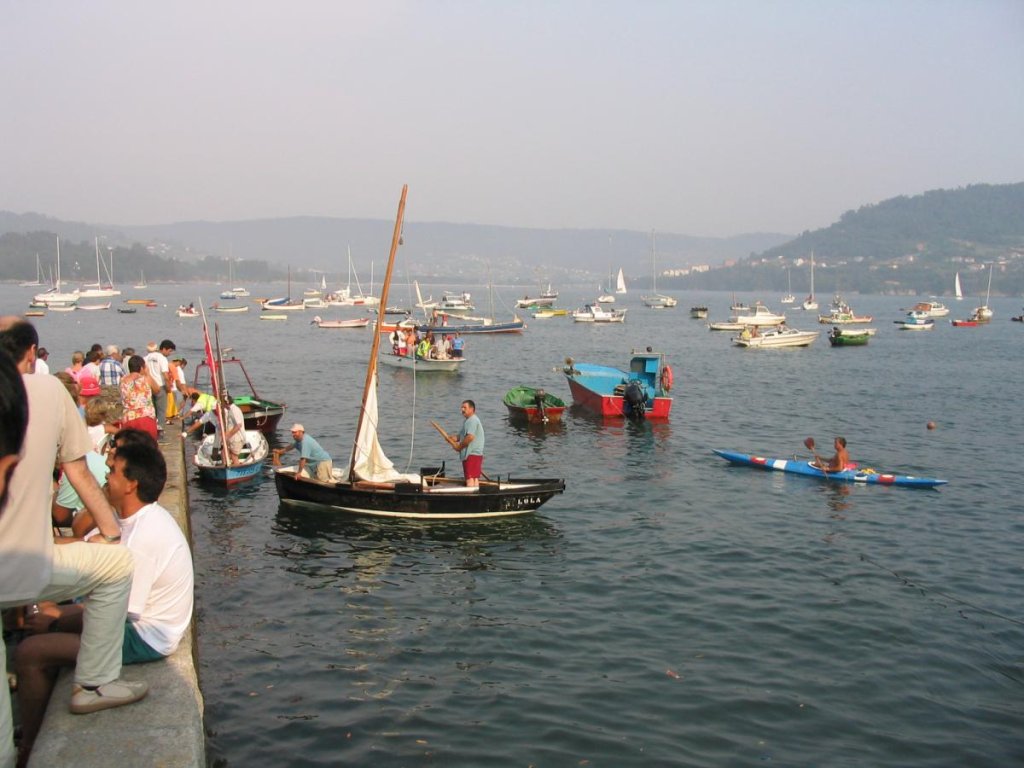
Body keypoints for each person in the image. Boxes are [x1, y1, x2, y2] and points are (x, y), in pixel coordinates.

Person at [0, 318, 145, 768]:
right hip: (18, 568)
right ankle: (96, 683)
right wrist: (113, 533)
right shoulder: (44, 394)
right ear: (30, 356)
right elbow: (79, 472)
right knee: (116, 566)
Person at [15, 439, 193, 766]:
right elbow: (80, 544)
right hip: (131, 620)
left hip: (145, 637)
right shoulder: (132, 519)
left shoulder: (145, 537)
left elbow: (121, 612)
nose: (105, 478)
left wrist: (56, 620)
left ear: (131, 484)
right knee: (46, 615)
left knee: (31, 652)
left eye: (112, 472)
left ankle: (27, 746)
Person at [445, 400, 485, 487]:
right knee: (474, 479)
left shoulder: (472, 420)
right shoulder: (469, 421)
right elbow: (461, 436)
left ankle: (471, 498)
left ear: (472, 409)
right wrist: (451, 439)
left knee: (470, 479)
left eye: (465, 408)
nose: (462, 409)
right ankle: (475, 497)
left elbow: (470, 437)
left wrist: (459, 447)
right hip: (476, 454)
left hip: (471, 454)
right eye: (461, 408)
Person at [120, 354, 159, 440]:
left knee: (130, 447)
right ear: (142, 367)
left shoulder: (122, 380)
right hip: (145, 416)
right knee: (148, 446)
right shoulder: (146, 379)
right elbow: (157, 390)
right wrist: (148, 373)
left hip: (128, 417)